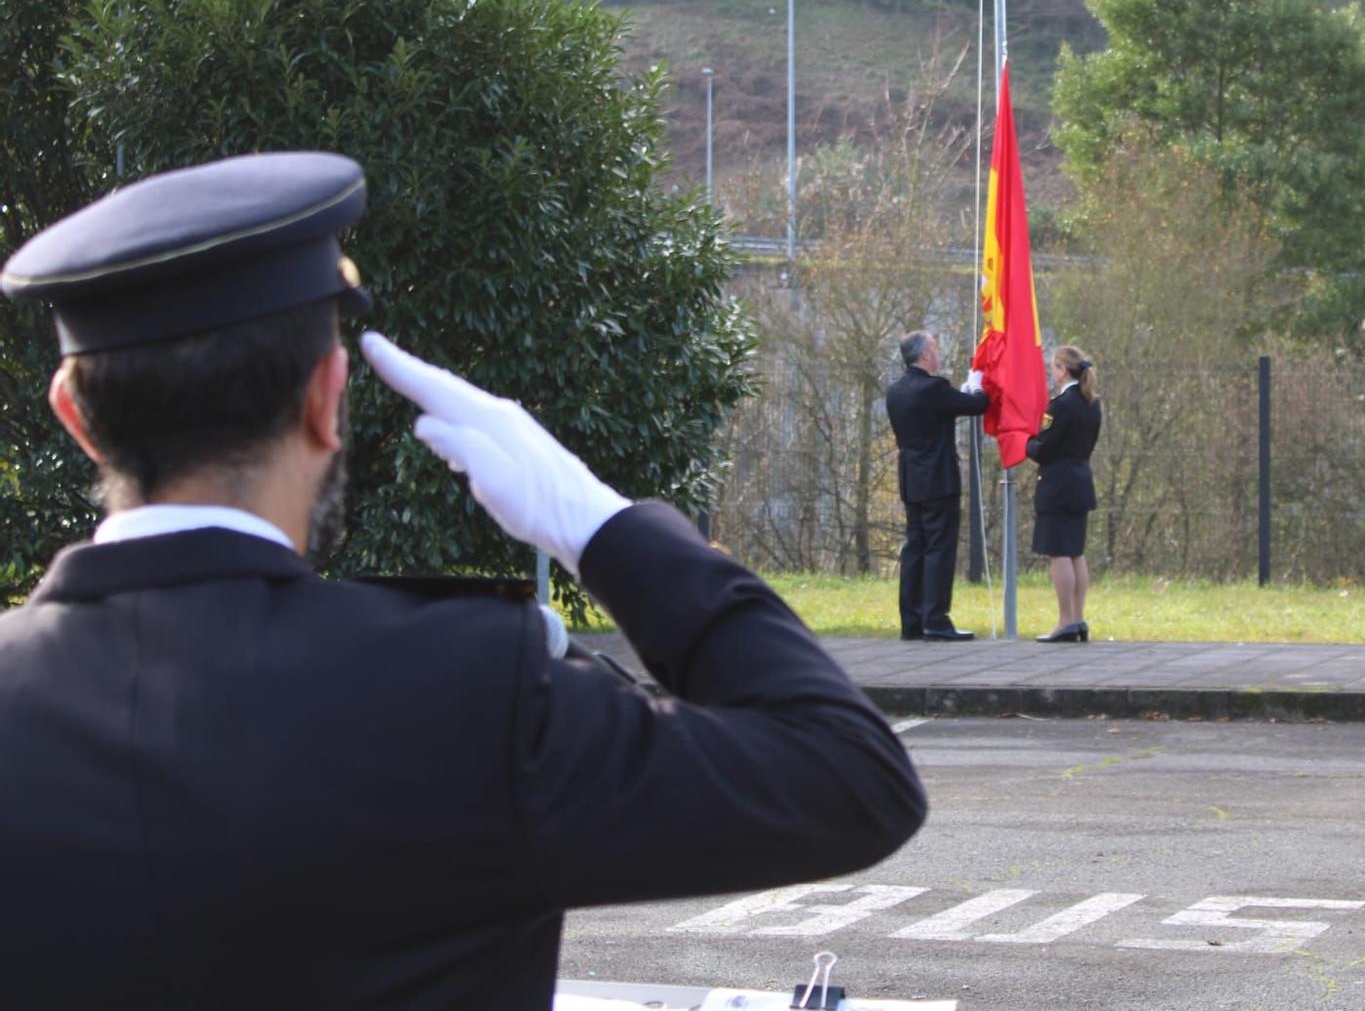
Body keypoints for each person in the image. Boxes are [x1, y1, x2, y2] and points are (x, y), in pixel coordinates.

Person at [0, 153, 927, 1007]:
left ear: (75, 415)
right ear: (329, 396)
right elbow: (849, 777)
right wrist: (604, 527)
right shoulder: (463, 692)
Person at [885, 329, 988, 641]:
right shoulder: (933, 388)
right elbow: (976, 405)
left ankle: (912, 620)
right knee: (940, 548)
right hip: (938, 478)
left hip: (911, 477)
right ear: (926, 355)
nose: (939, 354)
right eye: (936, 348)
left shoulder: (896, 389)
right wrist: (977, 385)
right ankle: (936, 619)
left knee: (915, 547)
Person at [1025, 345, 1102, 643]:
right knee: (1075, 553)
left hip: (1057, 483)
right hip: (1080, 480)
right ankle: (1078, 618)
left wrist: (1027, 444)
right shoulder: (1091, 403)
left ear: (1062, 370)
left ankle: (1065, 621)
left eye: (1054, 368)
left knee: (1059, 553)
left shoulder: (1059, 406)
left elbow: (1044, 447)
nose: (1051, 373)